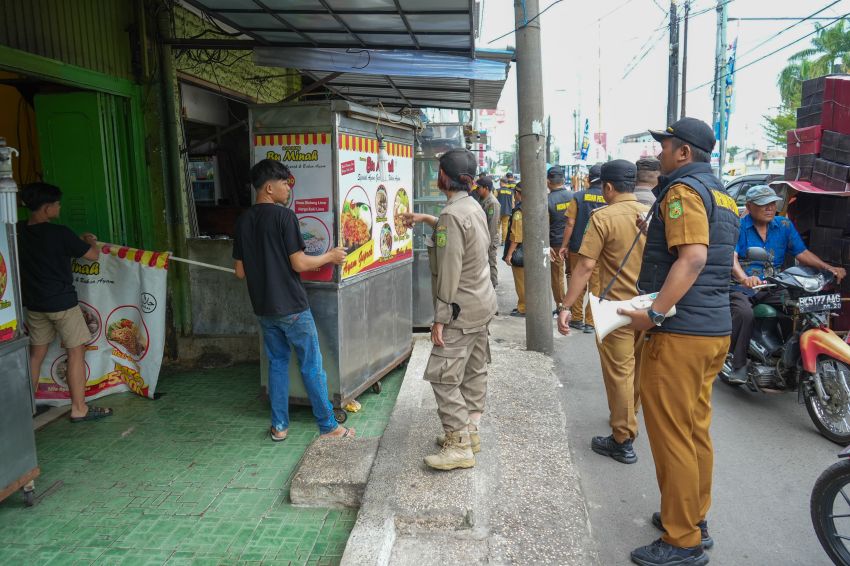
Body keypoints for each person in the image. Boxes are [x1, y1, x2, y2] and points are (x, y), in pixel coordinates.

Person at [618, 117, 740, 566]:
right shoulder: (722, 194)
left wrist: (652, 315)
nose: (661, 153)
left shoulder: (685, 191)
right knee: (694, 430)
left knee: (672, 435)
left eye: (666, 145)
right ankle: (694, 517)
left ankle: (682, 539)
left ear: (684, 152)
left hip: (682, 332)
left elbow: (692, 258)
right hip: (713, 331)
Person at [233, 159, 353, 442]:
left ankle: (280, 426)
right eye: (285, 183)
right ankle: (328, 426)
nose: (288, 188)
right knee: (311, 365)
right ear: (269, 187)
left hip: (263, 308)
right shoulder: (284, 218)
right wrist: (331, 257)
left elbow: (240, 271)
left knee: (277, 364)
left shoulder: (243, 220)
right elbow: (299, 263)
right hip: (292, 307)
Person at [402, 148, 497, 471]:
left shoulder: (452, 216)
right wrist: (428, 220)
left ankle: (457, 443)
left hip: (460, 309)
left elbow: (450, 270)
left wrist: (439, 319)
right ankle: (470, 432)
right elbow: (465, 242)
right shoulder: (473, 206)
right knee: (473, 369)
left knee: (443, 376)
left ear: (444, 177)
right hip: (481, 304)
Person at [558, 160, 649, 465]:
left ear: (608, 187)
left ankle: (622, 439)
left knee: (620, 373)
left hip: (616, 310)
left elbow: (584, 267)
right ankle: (628, 416)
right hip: (649, 307)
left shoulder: (603, 218)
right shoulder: (650, 215)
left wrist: (566, 306)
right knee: (636, 370)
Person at [727, 185, 846, 384]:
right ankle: (738, 365)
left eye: (773, 203)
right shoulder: (739, 227)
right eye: (764, 204)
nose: (770, 208)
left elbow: (801, 253)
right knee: (744, 313)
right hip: (744, 287)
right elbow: (732, 258)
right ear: (749, 206)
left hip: (773, 285)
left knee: (803, 305)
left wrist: (829, 268)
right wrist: (743, 278)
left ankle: (790, 357)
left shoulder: (784, 226)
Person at [17, 182, 113, 423]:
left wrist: (76, 240)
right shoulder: (59, 233)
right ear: (47, 207)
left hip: (35, 305)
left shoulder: (17, 230)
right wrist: (90, 240)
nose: (60, 208)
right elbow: (92, 255)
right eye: (57, 204)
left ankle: (26, 410)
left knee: (36, 355)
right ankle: (79, 409)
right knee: (75, 353)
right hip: (62, 305)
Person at [558, 163, 606, 333]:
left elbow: (570, 223)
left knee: (576, 280)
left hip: (578, 246)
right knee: (596, 286)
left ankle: (576, 318)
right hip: (600, 249)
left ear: (588, 178)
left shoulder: (578, 197)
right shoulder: (609, 197)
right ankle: (591, 322)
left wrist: (564, 245)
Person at [546, 166, 574, 310]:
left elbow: (545, 224)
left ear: (548, 182)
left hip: (555, 243)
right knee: (573, 274)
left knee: (557, 277)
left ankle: (561, 305)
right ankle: (574, 306)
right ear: (563, 180)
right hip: (573, 243)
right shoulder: (574, 196)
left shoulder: (547, 200)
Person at [503, 182, 525, 317]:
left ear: (517, 194)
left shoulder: (519, 211)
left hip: (521, 252)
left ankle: (524, 307)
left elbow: (516, 236)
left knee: (521, 282)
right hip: (532, 250)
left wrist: (509, 254)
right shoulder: (534, 206)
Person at [475, 176, 501, 288]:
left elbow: (493, 226)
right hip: (483, 237)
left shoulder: (492, 203)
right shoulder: (481, 199)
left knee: (490, 262)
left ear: (486, 188)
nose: (477, 190)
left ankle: (493, 285)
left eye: (479, 187)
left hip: (489, 238)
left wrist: (487, 243)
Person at [497, 172, 516, 242]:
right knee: (505, 226)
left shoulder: (497, 191)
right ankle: (503, 241)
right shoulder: (511, 192)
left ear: (501, 182)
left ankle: (496, 240)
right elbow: (513, 203)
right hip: (507, 211)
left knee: (497, 226)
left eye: (500, 182)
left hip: (499, 211)